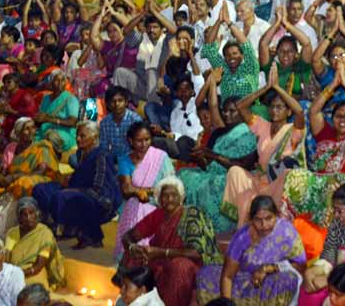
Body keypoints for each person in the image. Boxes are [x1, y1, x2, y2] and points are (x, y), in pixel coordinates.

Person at [284, 65, 345, 229]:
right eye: (338, 116)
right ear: (332, 119)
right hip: (321, 184)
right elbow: (313, 111)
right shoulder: (326, 133)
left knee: (331, 185)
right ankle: (294, 227)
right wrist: (332, 86)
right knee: (295, 176)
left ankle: (326, 234)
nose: (342, 120)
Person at [221, 64, 306, 227]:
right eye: (272, 106)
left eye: (280, 107)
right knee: (235, 172)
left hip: (277, 182)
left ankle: (275, 225)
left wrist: (278, 88)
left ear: (288, 112)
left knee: (287, 174)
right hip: (259, 180)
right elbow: (241, 106)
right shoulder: (262, 125)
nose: (274, 110)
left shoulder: (292, 130)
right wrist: (267, 87)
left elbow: (300, 112)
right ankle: (244, 228)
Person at [121, 177, 223, 306]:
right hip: (160, 261)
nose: (169, 199)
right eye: (165, 196)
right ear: (159, 199)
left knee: (179, 266)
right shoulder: (158, 215)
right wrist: (132, 248)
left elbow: (196, 252)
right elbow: (127, 237)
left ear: (181, 198)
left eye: (174, 195)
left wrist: (161, 252)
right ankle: (132, 299)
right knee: (134, 256)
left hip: (189, 266)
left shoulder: (191, 214)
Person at [179, 71, 258, 234]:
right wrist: (201, 157)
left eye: (232, 111)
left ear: (243, 113)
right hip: (213, 173)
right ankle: (188, 226)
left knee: (211, 185)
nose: (227, 114)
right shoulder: (220, 132)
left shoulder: (247, 134)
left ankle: (214, 228)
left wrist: (212, 154)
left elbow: (244, 165)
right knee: (183, 174)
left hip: (233, 177)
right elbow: (208, 165)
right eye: (226, 111)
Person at [195, 195, 306, 305]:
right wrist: (227, 304)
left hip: (272, 284)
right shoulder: (242, 237)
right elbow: (228, 276)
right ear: (251, 219)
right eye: (258, 220)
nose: (264, 225)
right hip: (244, 282)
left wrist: (268, 269)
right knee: (205, 274)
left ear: (276, 215)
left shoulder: (287, 232)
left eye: (269, 218)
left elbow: (300, 266)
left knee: (288, 279)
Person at [33, 121, 121, 249]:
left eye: (82, 136)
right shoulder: (80, 154)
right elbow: (79, 177)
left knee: (61, 196)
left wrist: (73, 190)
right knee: (40, 189)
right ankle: (63, 224)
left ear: (95, 137)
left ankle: (65, 229)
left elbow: (99, 188)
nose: (78, 139)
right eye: (77, 136)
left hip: (99, 198)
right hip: (77, 190)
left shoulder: (101, 155)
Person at [115, 121, 175, 259]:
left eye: (147, 139)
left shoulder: (160, 157)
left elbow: (171, 186)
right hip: (133, 206)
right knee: (140, 207)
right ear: (130, 141)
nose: (144, 145)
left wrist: (142, 192)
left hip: (161, 205)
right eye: (139, 141)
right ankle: (135, 251)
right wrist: (142, 192)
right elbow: (126, 189)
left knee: (147, 208)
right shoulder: (124, 160)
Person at [4, 197, 65, 289]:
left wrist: (19, 274)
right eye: (24, 214)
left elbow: (38, 266)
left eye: (31, 213)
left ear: (37, 213)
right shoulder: (12, 233)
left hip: (34, 273)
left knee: (32, 293)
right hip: (13, 272)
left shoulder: (44, 233)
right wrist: (8, 274)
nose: (28, 218)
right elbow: (6, 259)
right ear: (19, 217)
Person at [34, 70, 80, 151]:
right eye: (57, 80)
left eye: (62, 80)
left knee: (51, 137)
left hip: (63, 133)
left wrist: (48, 119)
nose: (60, 83)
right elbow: (41, 118)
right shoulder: (46, 98)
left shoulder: (71, 99)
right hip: (44, 130)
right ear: (51, 83)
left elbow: (72, 122)